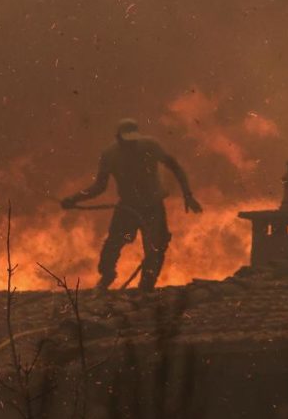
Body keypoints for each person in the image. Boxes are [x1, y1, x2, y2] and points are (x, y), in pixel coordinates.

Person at [61, 118, 202, 292]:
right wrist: (74, 199)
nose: (131, 145)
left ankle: (146, 287)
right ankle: (107, 275)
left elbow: (175, 167)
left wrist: (188, 195)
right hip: (128, 207)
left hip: (153, 206)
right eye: (127, 141)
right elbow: (99, 186)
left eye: (133, 140)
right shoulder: (110, 155)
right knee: (113, 244)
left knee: (155, 249)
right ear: (118, 138)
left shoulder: (150, 146)